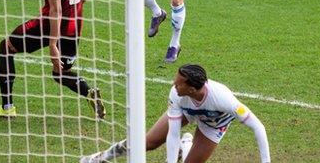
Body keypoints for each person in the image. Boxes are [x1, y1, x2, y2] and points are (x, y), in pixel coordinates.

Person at [80, 64, 271, 163]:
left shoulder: (223, 99)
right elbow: (173, 132)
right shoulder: (177, 94)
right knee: (148, 142)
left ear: (192, 88)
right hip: (188, 112)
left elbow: (258, 127)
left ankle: (187, 144)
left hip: (214, 124)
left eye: (179, 82)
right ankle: (99, 158)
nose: (174, 83)